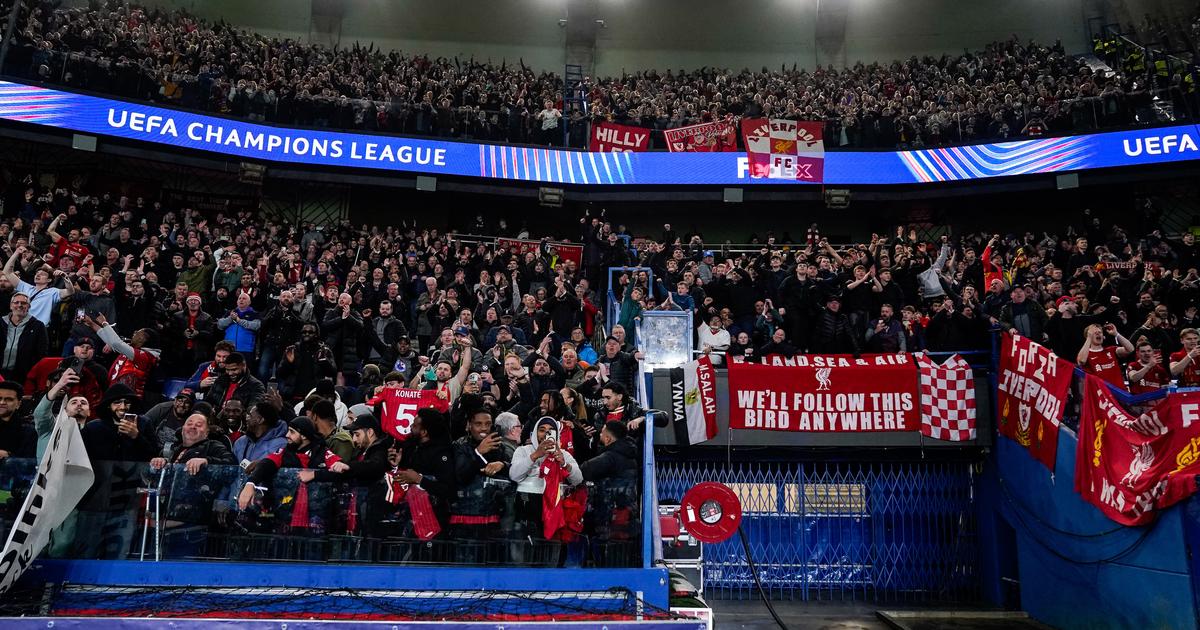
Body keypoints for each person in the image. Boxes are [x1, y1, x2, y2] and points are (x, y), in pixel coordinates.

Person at [306, 412, 395, 538]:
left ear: (370, 432)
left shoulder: (380, 450)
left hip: (372, 516)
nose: (353, 439)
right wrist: (317, 475)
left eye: (357, 434)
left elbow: (375, 466)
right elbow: (344, 474)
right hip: (359, 514)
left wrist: (349, 466)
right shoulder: (361, 451)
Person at [237, 417, 341, 511]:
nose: (287, 435)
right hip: (286, 509)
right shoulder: (284, 452)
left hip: (317, 512)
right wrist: (250, 484)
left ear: (304, 436)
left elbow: (341, 469)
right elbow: (266, 463)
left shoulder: (323, 452)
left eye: (292, 432)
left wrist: (315, 475)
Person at [509, 416, 582, 539]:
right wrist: (535, 455)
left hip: (556, 508)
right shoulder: (523, 451)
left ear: (557, 434)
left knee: (550, 552)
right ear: (535, 432)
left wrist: (564, 464)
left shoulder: (563, 454)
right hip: (528, 507)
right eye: (542, 430)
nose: (545, 434)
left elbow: (578, 479)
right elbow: (514, 475)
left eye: (550, 430)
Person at [386, 408, 456, 532]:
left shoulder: (442, 453)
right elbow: (402, 479)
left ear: (424, 432)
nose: (411, 426)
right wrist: (396, 465)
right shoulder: (410, 447)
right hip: (408, 516)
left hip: (433, 521)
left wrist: (419, 480)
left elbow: (448, 489)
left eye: (415, 424)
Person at [449, 408, 514, 538]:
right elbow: (461, 476)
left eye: (488, 424)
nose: (484, 428)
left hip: (493, 517)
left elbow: (514, 472)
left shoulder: (500, 446)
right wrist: (478, 452)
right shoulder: (459, 445)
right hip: (464, 516)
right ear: (469, 425)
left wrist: (502, 465)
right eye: (478, 424)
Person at [84, 313, 161, 399]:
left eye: (138, 332)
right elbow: (110, 340)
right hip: (115, 393)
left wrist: (105, 323)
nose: (134, 332)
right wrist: (91, 323)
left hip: (129, 399)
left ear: (143, 339)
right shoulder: (132, 350)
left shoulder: (145, 357)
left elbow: (116, 343)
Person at [80, 383, 159, 462]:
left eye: (127, 402)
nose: (123, 407)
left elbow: (154, 455)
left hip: (135, 472)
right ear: (108, 405)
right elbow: (80, 454)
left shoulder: (144, 423)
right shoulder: (93, 427)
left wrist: (137, 436)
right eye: (117, 402)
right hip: (102, 473)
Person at [1, 245, 76, 325]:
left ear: (49, 280)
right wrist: (16, 253)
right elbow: (7, 272)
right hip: (21, 326)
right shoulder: (26, 287)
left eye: (42, 274)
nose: (38, 275)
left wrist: (65, 277)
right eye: (37, 273)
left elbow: (70, 291)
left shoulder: (52, 292)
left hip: (39, 329)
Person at [149, 413, 236, 475]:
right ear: (182, 429)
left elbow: (232, 463)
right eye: (189, 424)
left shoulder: (213, 445)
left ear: (207, 432)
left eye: (198, 425)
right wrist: (163, 463)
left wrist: (206, 461)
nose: (193, 427)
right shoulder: (176, 448)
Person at [0, 292, 49, 382]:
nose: (19, 305)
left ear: (29, 307)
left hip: (22, 376)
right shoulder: (0, 322)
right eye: (16, 302)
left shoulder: (38, 326)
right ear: (11, 306)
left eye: (23, 303)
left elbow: (42, 353)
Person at [1078, 323, 1134, 388]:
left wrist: (1116, 334)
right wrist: (1089, 338)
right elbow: (1081, 360)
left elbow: (1130, 349)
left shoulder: (1111, 350)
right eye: (1094, 332)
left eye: (1100, 332)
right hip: (1102, 394)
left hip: (1120, 393)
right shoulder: (1086, 354)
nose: (1098, 333)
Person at [145, 389, 197, 456]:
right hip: (153, 449)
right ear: (175, 401)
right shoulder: (161, 408)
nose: (182, 405)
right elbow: (143, 423)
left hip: (176, 456)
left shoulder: (193, 418)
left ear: (191, 406)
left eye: (187, 402)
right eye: (180, 400)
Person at [0, 381, 33, 460]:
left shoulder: (27, 431)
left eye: (8, 399)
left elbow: (30, 463)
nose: (2, 402)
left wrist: (8, 456)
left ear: (18, 404)